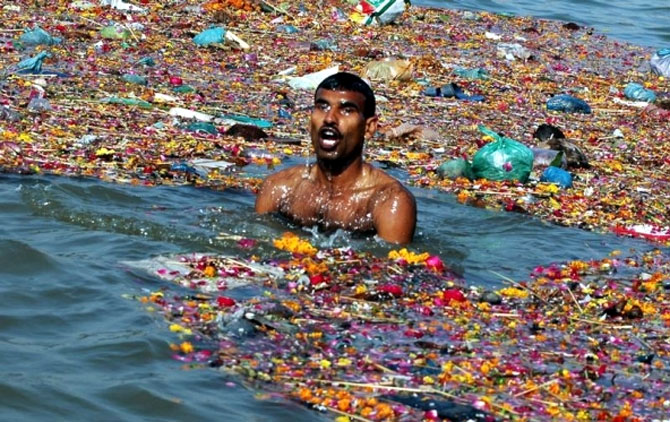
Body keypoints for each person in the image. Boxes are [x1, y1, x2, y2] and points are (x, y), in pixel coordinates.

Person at [255, 72, 416, 244]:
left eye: (347, 110)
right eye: (322, 107)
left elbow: (392, 265)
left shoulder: (389, 201)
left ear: (369, 127)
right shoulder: (278, 188)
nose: (330, 118)